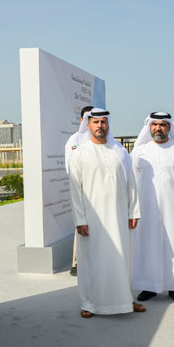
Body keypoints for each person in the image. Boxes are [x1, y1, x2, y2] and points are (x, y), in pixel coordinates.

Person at [69, 108, 143, 318]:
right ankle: (89, 303)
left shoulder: (120, 152)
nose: (100, 126)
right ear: (88, 125)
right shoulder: (80, 154)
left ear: (108, 124)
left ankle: (125, 299)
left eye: (103, 122)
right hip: (92, 219)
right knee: (91, 261)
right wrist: (80, 220)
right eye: (96, 122)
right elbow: (75, 190)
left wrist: (133, 211)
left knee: (122, 259)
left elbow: (131, 184)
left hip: (119, 216)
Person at [131, 112, 174, 302]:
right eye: (154, 124)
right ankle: (149, 286)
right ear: (149, 127)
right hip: (147, 208)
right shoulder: (140, 151)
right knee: (148, 245)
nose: (158, 128)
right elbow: (133, 180)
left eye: (162, 125)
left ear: (169, 127)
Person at [64, 105, 94, 277]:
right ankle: (76, 262)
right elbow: (72, 167)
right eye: (88, 118)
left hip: (100, 191)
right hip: (83, 190)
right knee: (82, 225)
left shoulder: (103, 140)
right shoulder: (74, 140)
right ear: (82, 120)